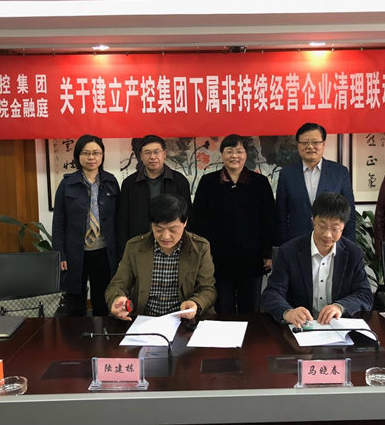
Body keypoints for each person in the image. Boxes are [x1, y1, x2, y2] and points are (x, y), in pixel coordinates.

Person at [190, 134, 275, 313]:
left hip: (252, 259)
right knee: (223, 309)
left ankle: (251, 333)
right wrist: (202, 254)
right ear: (222, 154)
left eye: (239, 151)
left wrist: (268, 252)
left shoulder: (260, 183)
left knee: (250, 310)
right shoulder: (208, 182)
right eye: (229, 151)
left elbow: (269, 219)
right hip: (218, 259)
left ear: (246, 154)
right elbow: (198, 220)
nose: (234, 156)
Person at [261, 192, 373, 328]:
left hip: (337, 328)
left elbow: (364, 294)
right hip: (300, 327)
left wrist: (340, 307)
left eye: (335, 228)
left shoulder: (353, 253)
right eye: (322, 225)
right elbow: (271, 293)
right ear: (313, 220)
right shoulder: (289, 251)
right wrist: (288, 312)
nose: (327, 234)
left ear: (343, 226)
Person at [106, 194, 216, 320]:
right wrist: (117, 298)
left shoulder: (200, 248)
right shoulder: (135, 247)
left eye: (173, 229)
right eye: (158, 229)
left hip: (183, 320)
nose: (165, 236)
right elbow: (118, 284)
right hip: (146, 319)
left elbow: (208, 289)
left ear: (185, 222)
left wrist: (195, 303)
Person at [52, 134, 120, 316]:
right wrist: (60, 254)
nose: (91, 157)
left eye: (96, 153)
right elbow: (58, 223)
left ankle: (103, 334)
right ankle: (77, 334)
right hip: (75, 253)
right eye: (86, 153)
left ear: (102, 155)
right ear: (78, 156)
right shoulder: (67, 184)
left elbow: (117, 220)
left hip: (103, 252)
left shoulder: (111, 182)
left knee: (102, 302)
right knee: (75, 303)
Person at [276, 122, 355, 245]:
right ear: (298, 145)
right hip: (297, 243)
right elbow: (281, 215)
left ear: (323, 144)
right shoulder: (287, 174)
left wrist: (347, 245)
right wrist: (284, 246)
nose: (310, 146)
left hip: (331, 242)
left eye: (315, 142)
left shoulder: (340, 172)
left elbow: (349, 213)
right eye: (305, 142)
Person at [117, 134, 191, 256]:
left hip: (172, 244)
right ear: (141, 156)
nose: (152, 157)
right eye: (147, 153)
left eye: (156, 152)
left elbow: (187, 217)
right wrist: (123, 252)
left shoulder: (179, 181)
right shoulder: (129, 183)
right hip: (140, 245)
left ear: (164, 154)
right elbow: (123, 220)